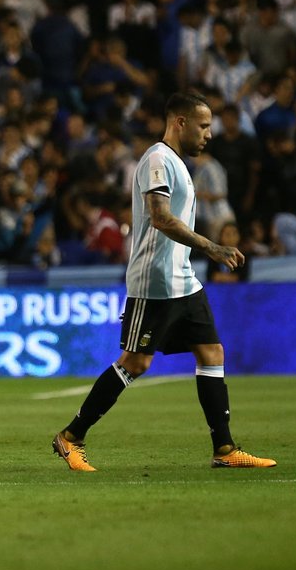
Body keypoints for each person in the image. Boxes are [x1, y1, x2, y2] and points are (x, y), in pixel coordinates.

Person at [51, 92, 276, 471]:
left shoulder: (178, 163)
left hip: (183, 280)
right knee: (135, 363)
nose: (209, 134)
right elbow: (160, 217)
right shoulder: (157, 159)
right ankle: (70, 437)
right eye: (203, 126)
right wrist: (212, 247)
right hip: (155, 281)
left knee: (212, 353)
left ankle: (224, 448)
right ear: (180, 122)